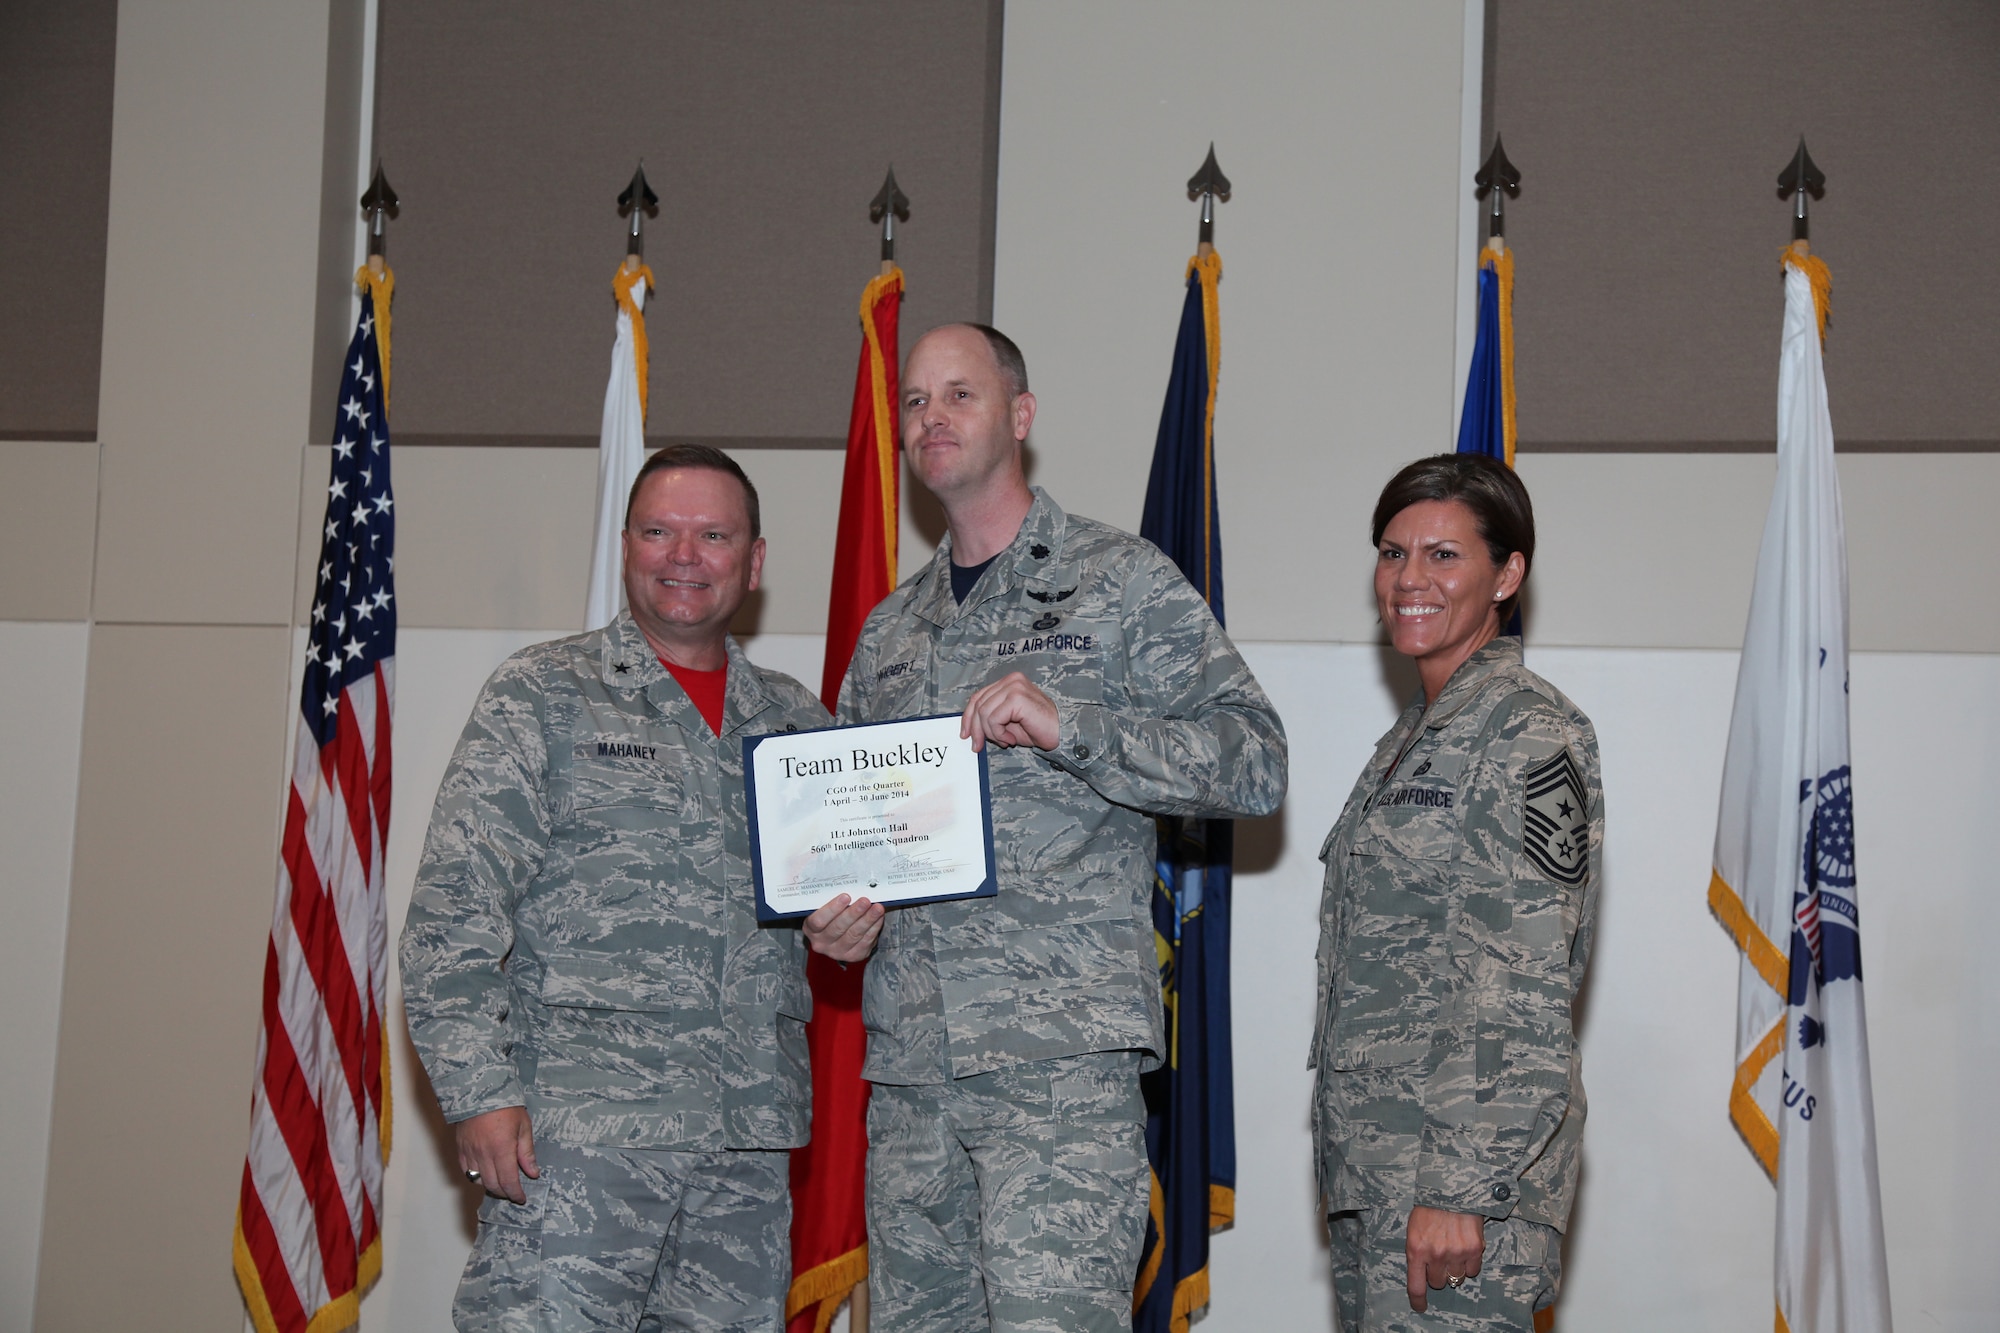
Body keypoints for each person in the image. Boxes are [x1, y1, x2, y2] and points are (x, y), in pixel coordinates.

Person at [803, 323, 1287, 1332]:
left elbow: (1254, 758)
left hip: (1055, 1076)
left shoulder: (1119, 582)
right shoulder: (890, 634)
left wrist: (1075, 728)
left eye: (959, 394)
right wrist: (836, 925)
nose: (931, 417)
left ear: (1018, 417)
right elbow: (850, 844)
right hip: (911, 1086)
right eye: (915, 400)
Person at [400, 444, 828, 1332]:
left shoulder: (798, 723)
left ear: (754, 560)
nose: (684, 555)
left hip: (745, 1150)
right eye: (659, 531)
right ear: (626, 546)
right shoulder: (543, 694)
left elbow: (834, 906)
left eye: (714, 534)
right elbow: (453, 913)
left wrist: (856, 927)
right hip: (578, 1136)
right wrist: (479, 1090)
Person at [1310, 454, 1602, 1332]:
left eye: (1443, 556)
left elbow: (1518, 977)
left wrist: (1459, 1188)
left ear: (1507, 574)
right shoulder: (1414, 736)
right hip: (1383, 1176)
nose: (1409, 579)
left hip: (1458, 1192)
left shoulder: (1523, 729)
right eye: (1393, 553)